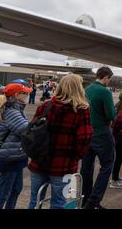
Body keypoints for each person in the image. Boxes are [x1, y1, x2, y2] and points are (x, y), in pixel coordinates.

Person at [27, 74, 92, 209]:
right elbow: (85, 137)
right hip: (64, 165)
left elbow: (31, 131)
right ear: (79, 88)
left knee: (35, 200)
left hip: (39, 161)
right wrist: (77, 157)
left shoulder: (45, 106)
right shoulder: (81, 110)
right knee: (59, 203)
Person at [81, 67, 117, 209]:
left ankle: (85, 198)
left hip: (87, 132)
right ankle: (93, 202)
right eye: (110, 79)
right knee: (107, 166)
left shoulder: (87, 90)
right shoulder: (105, 92)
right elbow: (111, 115)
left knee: (86, 167)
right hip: (102, 133)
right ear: (106, 77)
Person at [0, 83, 32, 209]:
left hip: (15, 155)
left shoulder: (14, 108)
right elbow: (25, 129)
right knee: (4, 192)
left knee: (16, 189)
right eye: (25, 93)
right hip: (9, 157)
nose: (28, 95)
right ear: (17, 95)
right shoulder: (11, 110)